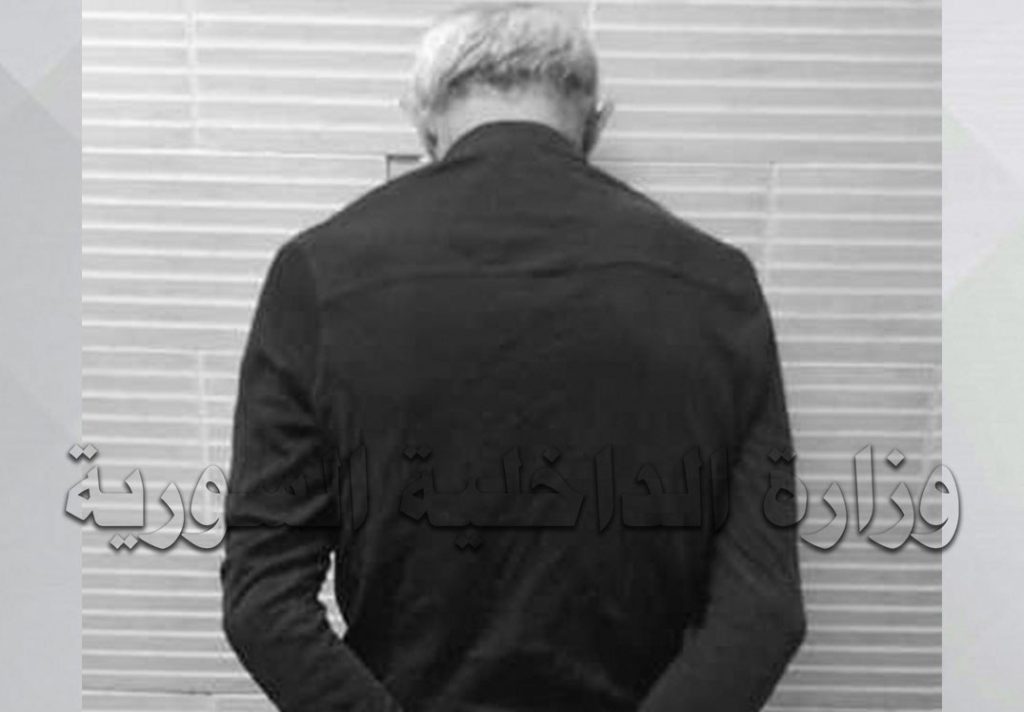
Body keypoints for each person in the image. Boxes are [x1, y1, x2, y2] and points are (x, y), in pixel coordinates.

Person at [221, 4, 806, 711]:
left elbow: (263, 601)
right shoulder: (718, 285)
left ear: (424, 127)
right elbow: (762, 613)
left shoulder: (317, 275)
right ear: (595, 124)